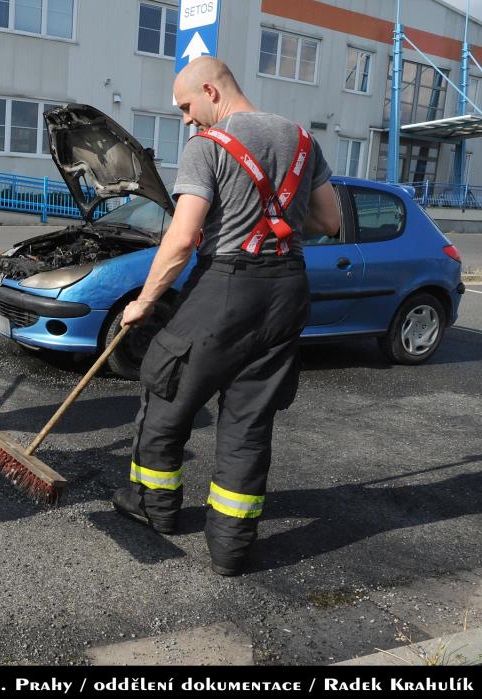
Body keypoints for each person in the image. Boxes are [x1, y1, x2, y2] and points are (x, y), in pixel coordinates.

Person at [111, 57, 341, 576]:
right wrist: (276, 214)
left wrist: (144, 302)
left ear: (211, 91)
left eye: (188, 107)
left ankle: (154, 509)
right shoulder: (304, 141)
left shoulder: (206, 148)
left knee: (165, 389)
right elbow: (329, 220)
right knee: (249, 420)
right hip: (287, 289)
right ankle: (231, 549)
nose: (188, 121)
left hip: (226, 285)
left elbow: (183, 237)